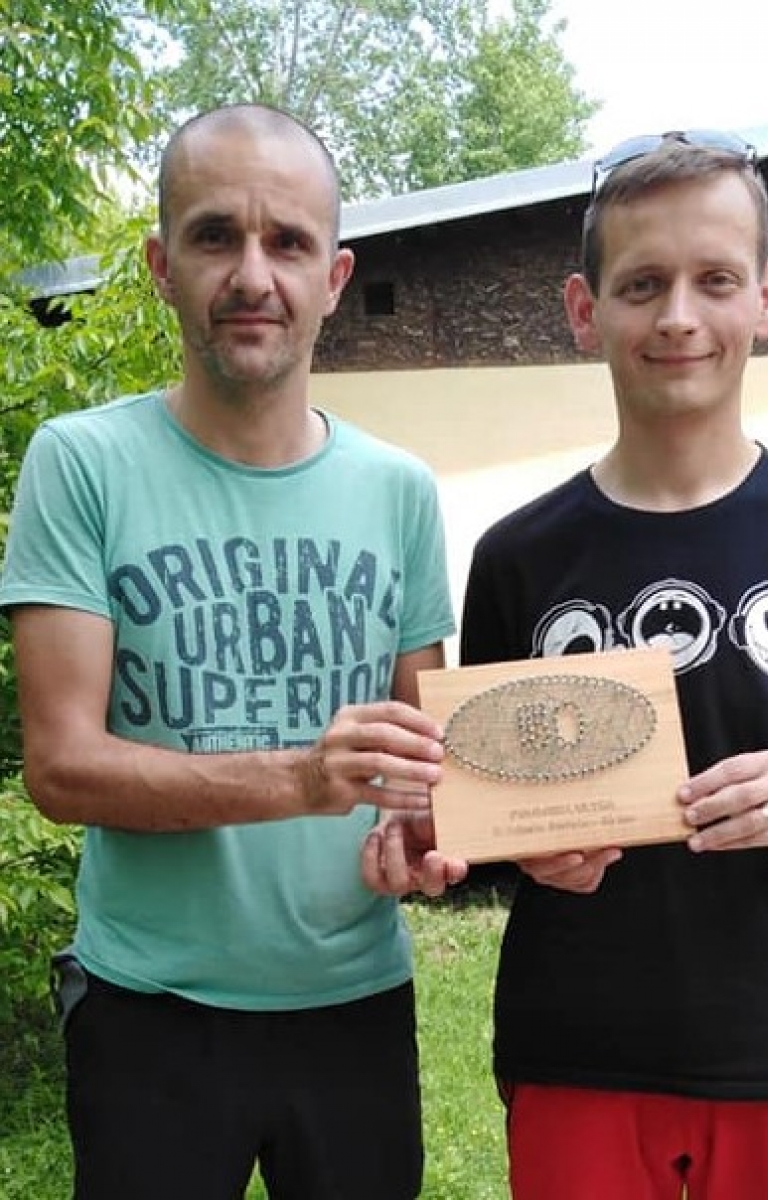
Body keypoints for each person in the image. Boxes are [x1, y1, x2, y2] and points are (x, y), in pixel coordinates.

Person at [367, 130, 768, 1199]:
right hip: (579, 1047)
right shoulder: (520, 555)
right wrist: (520, 853)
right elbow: (490, 815)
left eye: (715, 280)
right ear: (585, 309)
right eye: (643, 284)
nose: (678, 317)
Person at [0, 102, 465, 1200]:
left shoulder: (399, 490)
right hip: (149, 1010)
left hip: (355, 1005)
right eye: (216, 236)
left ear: (335, 278)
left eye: (288, 241)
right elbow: (61, 768)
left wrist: (429, 835)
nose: (254, 275)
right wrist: (302, 780)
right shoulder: (82, 464)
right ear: (162, 266)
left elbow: (430, 768)